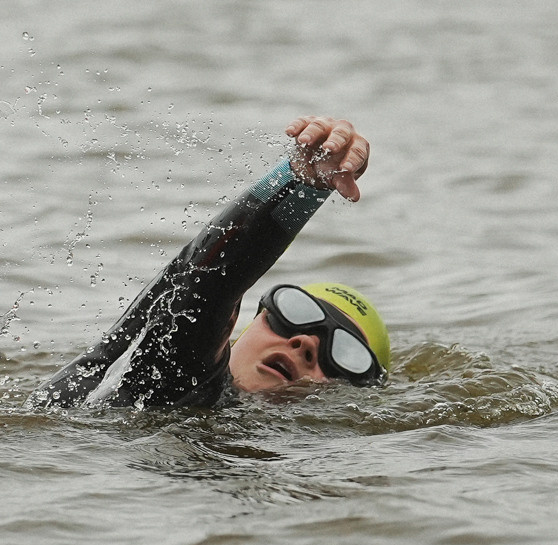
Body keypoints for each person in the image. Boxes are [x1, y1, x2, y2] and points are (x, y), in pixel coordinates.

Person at [38, 115, 392, 409]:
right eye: (292, 313)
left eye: (345, 354)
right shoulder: (171, 372)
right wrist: (303, 182)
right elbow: (207, 282)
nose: (306, 344)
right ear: (242, 328)